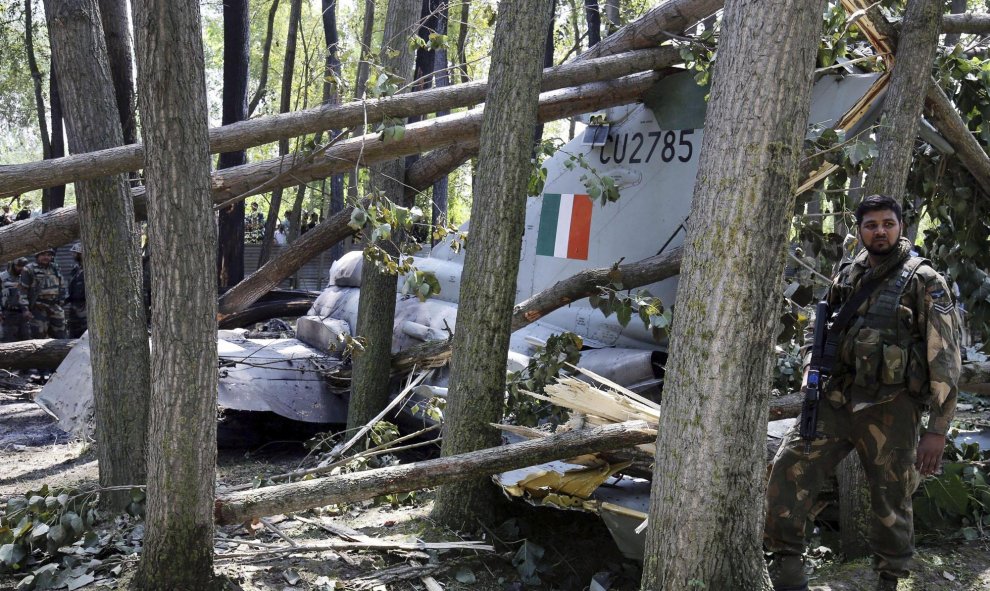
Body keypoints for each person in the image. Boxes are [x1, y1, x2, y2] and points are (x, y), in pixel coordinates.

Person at [765, 194, 961, 591]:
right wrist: (809, 367)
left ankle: (889, 580)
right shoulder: (850, 273)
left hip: (892, 408)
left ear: (901, 226)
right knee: (789, 469)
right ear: (860, 231)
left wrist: (937, 430)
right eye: (871, 225)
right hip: (835, 401)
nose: (880, 232)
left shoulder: (924, 281)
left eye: (888, 223)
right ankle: (787, 571)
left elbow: (946, 359)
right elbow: (817, 328)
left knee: (890, 499)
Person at [19, 248, 67, 339]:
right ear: (37, 256)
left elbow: (62, 285)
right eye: (43, 255)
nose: (46, 257)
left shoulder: (55, 267)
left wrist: (61, 301)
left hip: (55, 307)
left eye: (49, 255)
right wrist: (25, 309)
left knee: (61, 336)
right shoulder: (29, 269)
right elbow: (23, 290)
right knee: (38, 338)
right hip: (38, 308)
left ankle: (59, 353)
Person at [1, 258, 32, 342]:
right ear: (12, 265)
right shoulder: (2, 277)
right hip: (7, 314)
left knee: (26, 340)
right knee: (8, 341)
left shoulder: (27, 277)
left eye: (23, 266)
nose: (21, 268)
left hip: (24, 314)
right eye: (18, 266)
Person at [65, 242, 87, 338]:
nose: (73, 255)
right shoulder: (75, 269)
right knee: (73, 332)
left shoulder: (90, 269)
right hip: (74, 306)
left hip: (85, 307)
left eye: (75, 253)